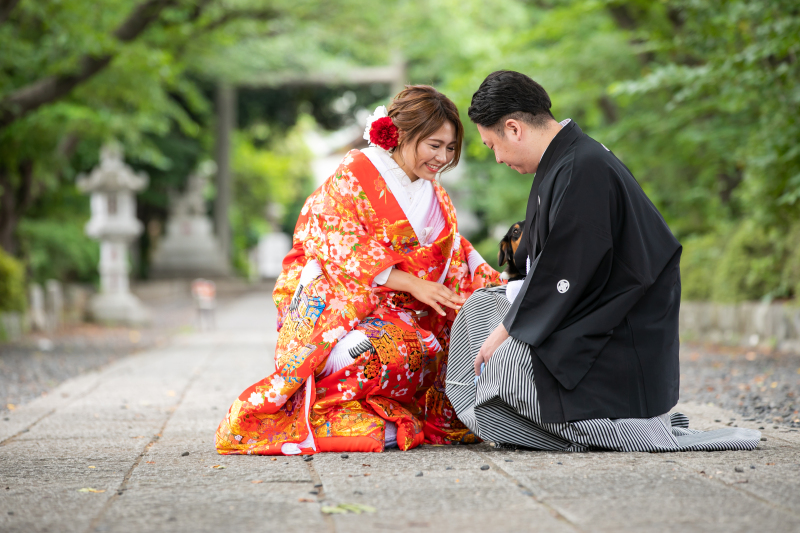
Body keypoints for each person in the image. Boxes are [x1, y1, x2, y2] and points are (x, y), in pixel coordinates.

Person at [446, 71, 760, 452]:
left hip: (619, 332)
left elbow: (565, 269)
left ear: (514, 129)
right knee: (480, 309)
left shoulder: (582, 166)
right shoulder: (565, 162)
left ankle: (603, 425)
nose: (497, 158)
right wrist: (510, 311)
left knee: (507, 367)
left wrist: (510, 328)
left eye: (492, 145)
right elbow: (541, 261)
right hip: (590, 306)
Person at [216, 85, 502, 456]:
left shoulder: (436, 194)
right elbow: (335, 240)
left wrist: (493, 287)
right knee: (382, 350)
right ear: (401, 134)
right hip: (349, 302)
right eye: (434, 145)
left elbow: (453, 252)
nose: (442, 158)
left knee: (440, 350)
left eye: (450, 148)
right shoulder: (355, 174)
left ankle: (386, 413)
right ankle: (330, 409)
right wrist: (411, 282)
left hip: (410, 309)